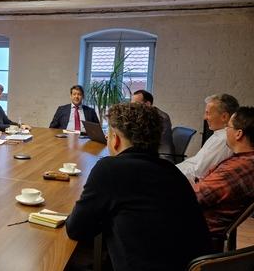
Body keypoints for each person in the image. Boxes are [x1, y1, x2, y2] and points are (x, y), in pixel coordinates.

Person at [65, 103, 211, 271]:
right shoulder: (174, 172)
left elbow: (76, 229)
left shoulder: (110, 169)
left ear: (116, 140)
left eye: (109, 135)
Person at [195, 106, 254, 240]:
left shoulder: (235, 170)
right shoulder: (245, 161)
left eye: (228, 127)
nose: (225, 131)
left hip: (198, 235)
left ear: (238, 134)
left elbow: (192, 198)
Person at [177, 94, 239, 183]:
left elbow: (199, 173)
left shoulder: (223, 139)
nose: (204, 117)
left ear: (224, 117)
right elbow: (196, 162)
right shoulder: (218, 134)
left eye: (208, 113)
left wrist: (171, 172)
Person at [131, 89, 175, 162]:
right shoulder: (144, 115)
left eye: (136, 104)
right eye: (132, 104)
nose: (133, 107)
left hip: (161, 158)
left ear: (147, 104)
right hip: (150, 154)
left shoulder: (160, 118)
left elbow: (147, 139)